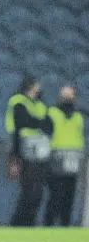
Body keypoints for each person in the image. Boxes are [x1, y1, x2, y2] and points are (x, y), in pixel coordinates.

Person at [5, 75, 50, 226]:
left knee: (37, 192)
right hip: (23, 151)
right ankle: (18, 223)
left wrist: (36, 123)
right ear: (31, 86)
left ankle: (27, 222)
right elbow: (23, 122)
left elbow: (49, 124)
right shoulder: (18, 101)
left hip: (39, 153)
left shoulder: (40, 105)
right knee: (29, 191)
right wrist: (15, 156)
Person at [43, 86, 85, 226]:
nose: (68, 98)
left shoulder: (78, 117)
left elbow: (79, 137)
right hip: (57, 160)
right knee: (56, 197)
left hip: (73, 161)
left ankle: (64, 228)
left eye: (70, 96)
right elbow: (45, 134)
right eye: (65, 95)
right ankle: (48, 227)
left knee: (69, 197)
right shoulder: (52, 113)